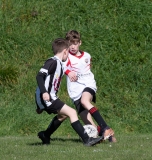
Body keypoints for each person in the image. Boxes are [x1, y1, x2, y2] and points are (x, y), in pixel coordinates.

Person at [35, 38, 103, 146]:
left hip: (49, 97)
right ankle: (87, 140)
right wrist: (43, 94)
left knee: (63, 115)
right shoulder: (52, 62)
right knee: (72, 112)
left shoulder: (59, 64)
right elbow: (39, 76)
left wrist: (40, 104)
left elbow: (49, 82)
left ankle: (46, 135)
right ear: (65, 51)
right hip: (48, 97)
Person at [63, 30, 116, 142]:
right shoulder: (66, 56)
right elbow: (61, 66)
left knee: (85, 101)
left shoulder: (87, 55)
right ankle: (108, 135)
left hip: (88, 85)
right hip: (75, 91)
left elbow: (86, 68)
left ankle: (105, 127)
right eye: (70, 43)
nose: (72, 46)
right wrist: (68, 72)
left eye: (75, 43)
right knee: (92, 129)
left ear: (80, 43)